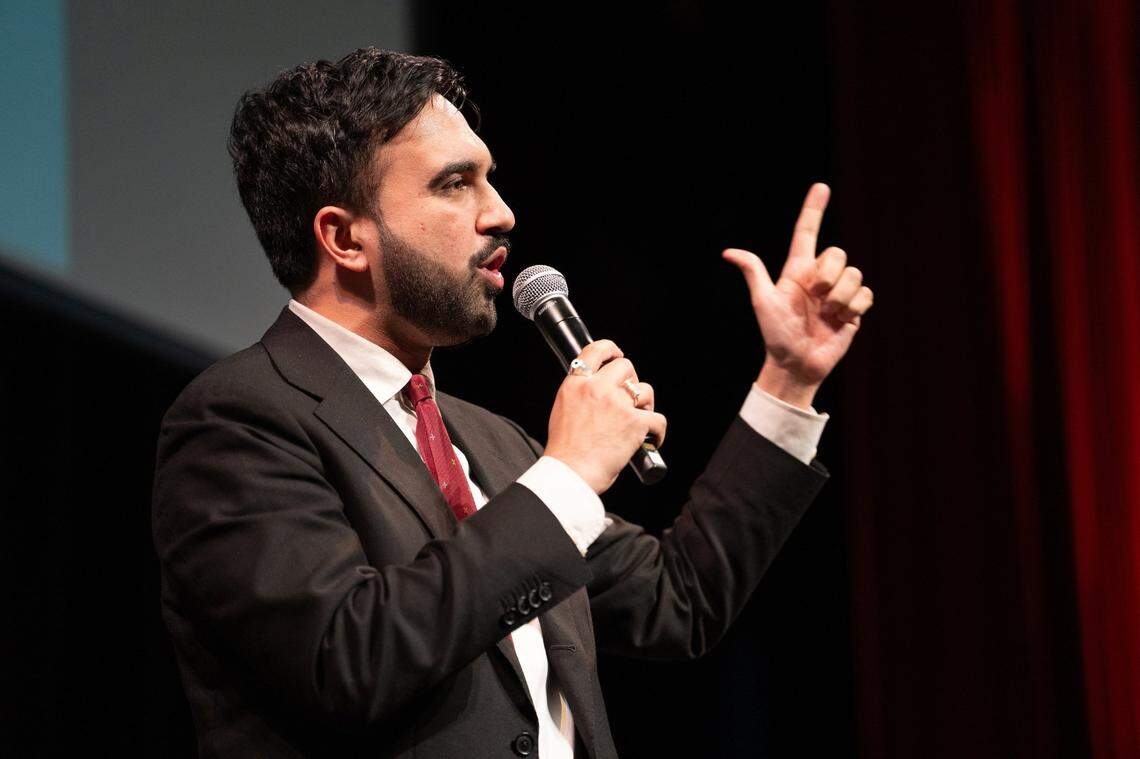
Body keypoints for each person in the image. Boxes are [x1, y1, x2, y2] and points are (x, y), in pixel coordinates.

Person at [151, 48, 873, 759]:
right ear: (344, 238)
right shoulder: (239, 420)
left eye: (488, 179)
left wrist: (788, 381)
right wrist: (568, 474)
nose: (501, 213)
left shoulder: (494, 444)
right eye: (454, 184)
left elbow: (680, 600)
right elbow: (347, 661)